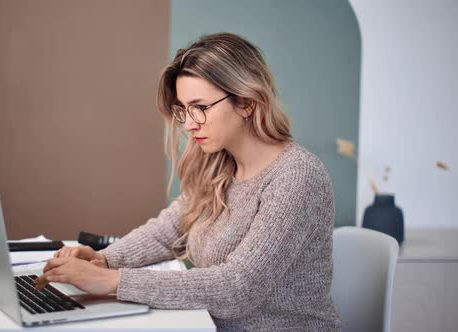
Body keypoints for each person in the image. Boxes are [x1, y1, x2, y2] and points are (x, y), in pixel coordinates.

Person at [34, 32, 342, 331]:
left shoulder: (296, 177)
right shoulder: (219, 163)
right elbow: (168, 231)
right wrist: (104, 259)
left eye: (201, 107)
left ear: (247, 102)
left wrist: (114, 282)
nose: (190, 123)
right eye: (183, 110)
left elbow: (239, 288)